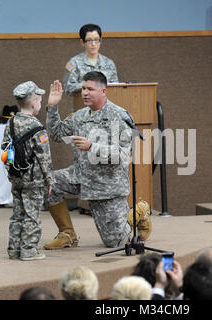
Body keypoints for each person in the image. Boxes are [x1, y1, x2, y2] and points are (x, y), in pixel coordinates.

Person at [43, 71, 152, 249]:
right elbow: (56, 134)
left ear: (103, 91)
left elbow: (123, 155)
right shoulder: (80, 116)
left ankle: (140, 211)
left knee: (114, 242)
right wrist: (53, 107)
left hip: (107, 185)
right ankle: (67, 234)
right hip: (81, 176)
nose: (85, 92)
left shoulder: (119, 116)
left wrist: (92, 147)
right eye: (84, 88)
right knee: (49, 182)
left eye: (90, 89)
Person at [1, 81, 54, 261]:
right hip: (35, 180)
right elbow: (44, 157)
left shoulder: (11, 122)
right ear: (34, 103)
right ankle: (29, 250)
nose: (40, 104)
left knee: (18, 214)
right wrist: (49, 180)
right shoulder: (37, 127)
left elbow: (5, 147)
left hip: (16, 177)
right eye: (40, 101)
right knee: (32, 215)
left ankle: (14, 249)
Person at [63, 24, 118, 96]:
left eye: (96, 40)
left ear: (100, 40)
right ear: (82, 42)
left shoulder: (109, 63)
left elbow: (116, 88)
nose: (93, 44)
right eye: (89, 40)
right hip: (82, 105)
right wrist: (90, 86)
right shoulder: (74, 63)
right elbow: (68, 88)